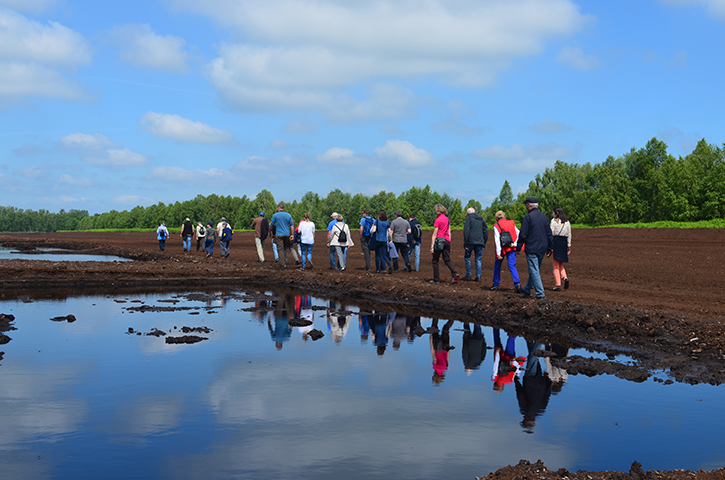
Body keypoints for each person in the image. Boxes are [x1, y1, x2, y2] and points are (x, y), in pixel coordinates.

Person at [516, 197, 554, 299]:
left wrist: (518, 247)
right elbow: (549, 233)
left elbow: (523, 235)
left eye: (526, 205)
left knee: (534, 271)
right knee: (535, 270)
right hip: (542, 248)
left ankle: (540, 294)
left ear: (529, 205)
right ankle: (527, 290)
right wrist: (550, 248)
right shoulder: (544, 217)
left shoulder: (527, 218)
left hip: (532, 248)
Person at [490, 211, 522, 292]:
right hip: (511, 247)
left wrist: (498, 253)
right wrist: (515, 244)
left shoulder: (496, 225)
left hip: (502, 248)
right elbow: (519, 233)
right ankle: (517, 284)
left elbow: (497, 240)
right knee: (512, 266)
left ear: (497, 218)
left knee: (497, 266)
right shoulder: (511, 223)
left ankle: (496, 284)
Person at [430, 204, 459, 284]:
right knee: (447, 259)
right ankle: (454, 273)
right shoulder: (447, 219)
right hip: (447, 240)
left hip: (439, 241)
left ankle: (436, 279)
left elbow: (434, 234)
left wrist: (432, 246)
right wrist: (449, 240)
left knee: (435, 261)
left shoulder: (438, 220)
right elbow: (449, 231)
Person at [462, 207, 488, 281]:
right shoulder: (481, 219)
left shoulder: (468, 219)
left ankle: (468, 274)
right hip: (480, 242)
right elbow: (485, 231)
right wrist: (484, 243)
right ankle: (478, 276)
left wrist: (465, 243)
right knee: (478, 259)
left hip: (470, 242)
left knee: (467, 257)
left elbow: (466, 231)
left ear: (468, 213)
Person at [550, 207, 571, 291]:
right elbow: (569, 234)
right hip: (564, 243)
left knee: (555, 265)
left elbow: (551, 233)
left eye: (553, 212)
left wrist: (549, 245)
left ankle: (557, 285)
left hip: (556, 243)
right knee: (560, 263)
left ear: (557, 213)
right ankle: (565, 278)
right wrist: (568, 245)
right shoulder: (567, 222)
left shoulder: (553, 221)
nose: (552, 214)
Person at [269, 203, 295, 268]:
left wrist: (269, 232)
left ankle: (282, 264)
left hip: (279, 234)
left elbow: (271, 225)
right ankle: (285, 261)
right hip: (287, 234)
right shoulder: (288, 215)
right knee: (285, 248)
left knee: (280, 249)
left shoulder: (275, 215)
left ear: (278, 208)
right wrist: (292, 234)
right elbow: (292, 225)